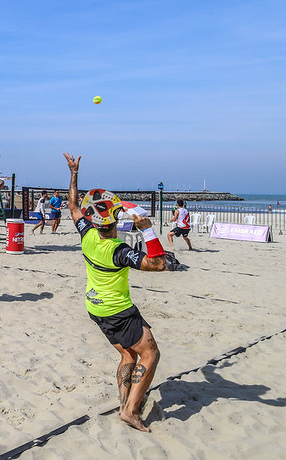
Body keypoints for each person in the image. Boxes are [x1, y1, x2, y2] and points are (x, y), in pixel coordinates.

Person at [64, 152, 166, 432]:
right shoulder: (118, 250)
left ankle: (124, 403)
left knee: (128, 355)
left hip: (94, 307)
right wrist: (147, 230)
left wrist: (73, 173)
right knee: (151, 354)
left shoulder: (87, 234)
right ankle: (130, 411)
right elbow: (158, 264)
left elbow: (73, 206)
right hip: (117, 310)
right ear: (115, 223)